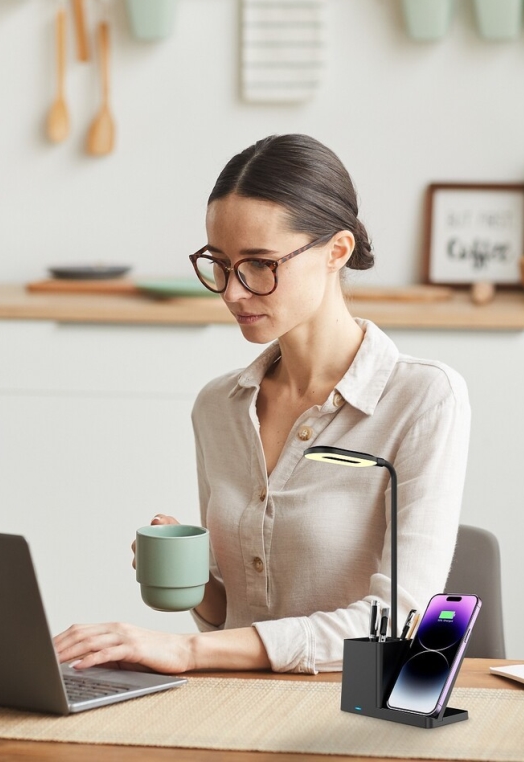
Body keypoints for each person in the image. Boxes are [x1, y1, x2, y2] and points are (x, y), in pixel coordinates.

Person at [53, 134, 470, 675]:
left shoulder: (423, 399)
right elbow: (231, 618)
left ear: (337, 251)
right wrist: (195, 583)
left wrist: (185, 651)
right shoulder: (218, 407)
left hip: (353, 702)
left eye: (259, 264)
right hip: (232, 698)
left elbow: (400, 625)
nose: (232, 292)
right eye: (220, 263)